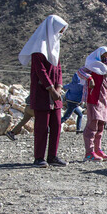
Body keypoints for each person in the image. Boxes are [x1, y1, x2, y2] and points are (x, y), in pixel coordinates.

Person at [19, 15, 69, 168]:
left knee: (56, 124)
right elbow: (40, 70)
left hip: (55, 93)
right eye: (59, 30)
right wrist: (50, 88)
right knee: (42, 125)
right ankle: (39, 157)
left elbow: (58, 68)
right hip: (42, 93)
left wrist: (59, 87)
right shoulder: (38, 48)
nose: (60, 33)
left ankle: (53, 155)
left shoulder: (55, 47)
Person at [78, 47, 107, 161]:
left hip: (103, 101)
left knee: (100, 126)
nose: (106, 59)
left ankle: (98, 149)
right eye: (103, 57)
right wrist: (89, 78)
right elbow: (80, 72)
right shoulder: (92, 66)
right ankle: (89, 152)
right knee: (92, 126)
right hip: (93, 100)